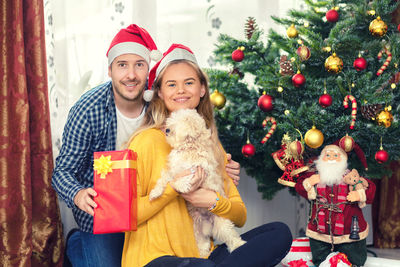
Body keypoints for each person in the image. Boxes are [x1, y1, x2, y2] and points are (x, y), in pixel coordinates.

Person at [51, 25, 241, 267]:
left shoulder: (163, 101)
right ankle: (78, 243)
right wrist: (77, 194)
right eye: (122, 65)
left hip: (150, 209)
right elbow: (63, 171)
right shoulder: (88, 110)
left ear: (148, 70)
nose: (131, 75)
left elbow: (191, 142)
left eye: (139, 65)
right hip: (104, 214)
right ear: (109, 70)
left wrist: (220, 169)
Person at [121, 43, 292, 267]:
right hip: (153, 260)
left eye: (189, 82)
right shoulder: (144, 142)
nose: (181, 90)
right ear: (160, 93)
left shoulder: (210, 145)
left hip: (203, 257)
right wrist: (173, 188)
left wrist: (214, 202)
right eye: (171, 84)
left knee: (279, 233)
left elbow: (240, 216)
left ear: (202, 89)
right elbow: (125, 216)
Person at [295, 145, 376, 266]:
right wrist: (310, 182)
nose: (331, 158)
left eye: (335, 155)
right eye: (327, 155)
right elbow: (299, 187)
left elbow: (370, 189)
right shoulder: (315, 178)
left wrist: (359, 195)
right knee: (320, 260)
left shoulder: (351, 178)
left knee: (355, 260)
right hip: (320, 232)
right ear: (322, 159)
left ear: (343, 160)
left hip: (349, 232)